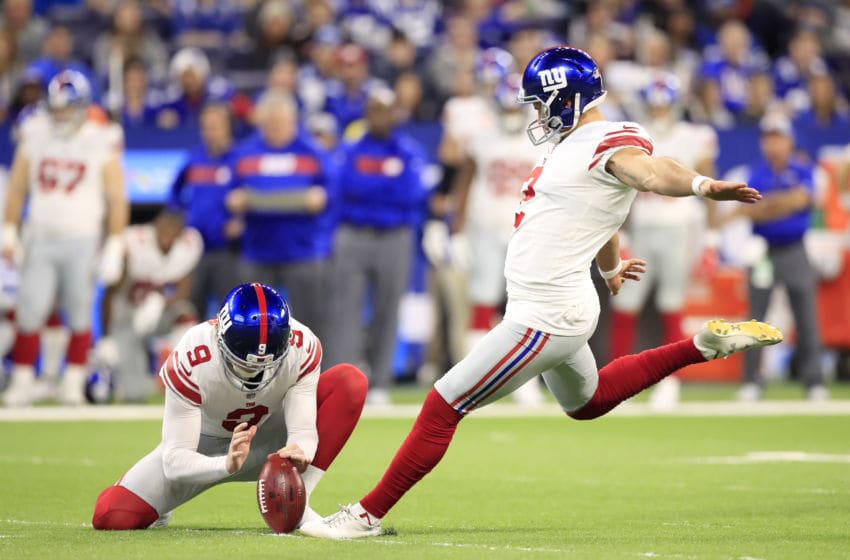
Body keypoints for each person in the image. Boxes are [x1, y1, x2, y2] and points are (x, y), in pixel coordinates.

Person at [300, 46, 782, 539]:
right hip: (560, 304)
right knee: (588, 402)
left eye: (540, 102)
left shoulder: (608, 140)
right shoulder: (573, 144)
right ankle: (701, 346)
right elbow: (599, 208)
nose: (535, 112)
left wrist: (701, 185)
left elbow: (651, 173)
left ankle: (366, 516)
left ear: (565, 98)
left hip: (544, 314)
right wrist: (611, 264)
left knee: (443, 406)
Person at [92, 283, 368, 530]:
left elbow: (303, 430)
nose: (256, 374)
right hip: (202, 449)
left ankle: (299, 501)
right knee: (110, 515)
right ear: (218, 334)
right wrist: (226, 463)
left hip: (269, 440)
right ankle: (163, 508)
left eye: (266, 365)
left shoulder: (301, 343)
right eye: (244, 364)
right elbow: (175, 459)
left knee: (349, 382)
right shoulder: (194, 354)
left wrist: (301, 451)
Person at [1, 70, 127, 407]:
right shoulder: (35, 132)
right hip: (40, 234)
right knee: (30, 309)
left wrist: (115, 242)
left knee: (80, 312)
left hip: (83, 236)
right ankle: (25, 380)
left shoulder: (102, 138)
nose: (61, 116)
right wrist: (9, 228)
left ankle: (73, 379)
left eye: (68, 108)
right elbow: (17, 185)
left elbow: (117, 196)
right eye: (56, 109)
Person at [607, 75, 718, 409]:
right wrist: (621, 231)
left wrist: (711, 237)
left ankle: (671, 382)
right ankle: (618, 382)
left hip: (679, 229)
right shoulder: (635, 135)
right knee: (626, 305)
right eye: (654, 103)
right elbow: (618, 186)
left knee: (672, 305)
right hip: (642, 228)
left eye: (663, 103)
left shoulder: (693, 136)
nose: (658, 110)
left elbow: (709, 184)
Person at [324, 89, 428, 405]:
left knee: (387, 310)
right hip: (353, 235)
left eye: (385, 110)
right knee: (346, 313)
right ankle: (342, 383)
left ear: (394, 113)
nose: (380, 116)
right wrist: (384, 182)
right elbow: (343, 186)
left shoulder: (408, 151)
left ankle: (380, 383)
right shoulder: (352, 148)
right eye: (374, 110)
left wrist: (369, 188)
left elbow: (410, 193)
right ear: (367, 113)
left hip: (394, 237)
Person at [450, 71, 547, 406]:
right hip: (485, 227)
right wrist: (456, 230)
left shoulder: (543, 138)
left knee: (528, 306)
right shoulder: (481, 137)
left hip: (526, 231)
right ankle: (473, 380)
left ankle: (523, 381)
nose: (508, 113)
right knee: (482, 300)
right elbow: (464, 184)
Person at [731, 113, 827, 402]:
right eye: (769, 138)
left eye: (779, 138)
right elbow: (751, 210)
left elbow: (803, 200)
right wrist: (786, 202)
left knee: (806, 316)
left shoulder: (803, 170)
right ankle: (751, 381)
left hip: (795, 249)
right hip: (764, 251)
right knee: (755, 318)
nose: (773, 144)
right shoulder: (756, 174)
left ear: (789, 141)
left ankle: (814, 381)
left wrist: (771, 206)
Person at [226, 92, 334, 341]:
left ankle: (310, 377)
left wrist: (256, 200)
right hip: (257, 251)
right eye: (270, 122)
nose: (275, 128)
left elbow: (327, 198)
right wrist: (298, 200)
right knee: (252, 326)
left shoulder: (313, 153)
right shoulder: (244, 154)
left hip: (304, 252)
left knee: (310, 326)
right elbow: (231, 197)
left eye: (281, 122)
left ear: (293, 121)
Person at [95, 210, 203, 402]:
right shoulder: (135, 244)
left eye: (173, 233)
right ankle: (106, 372)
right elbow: (110, 293)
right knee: (134, 395)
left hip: (159, 315)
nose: (167, 238)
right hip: (128, 319)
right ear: (154, 229)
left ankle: (181, 379)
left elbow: (184, 286)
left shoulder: (188, 246)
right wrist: (106, 336)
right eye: (163, 232)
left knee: (186, 316)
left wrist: (162, 302)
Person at [169, 104, 241, 319]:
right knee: (191, 311)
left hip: (228, 251)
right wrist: (179, 218)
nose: (210, 133)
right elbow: (174, 192)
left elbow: (254, 194)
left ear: (227, 128)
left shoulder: (239, 160)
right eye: (206, 127)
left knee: (230, 313)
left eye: (215, 127)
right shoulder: (194, 159)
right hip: (195, 250)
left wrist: (241, 221)